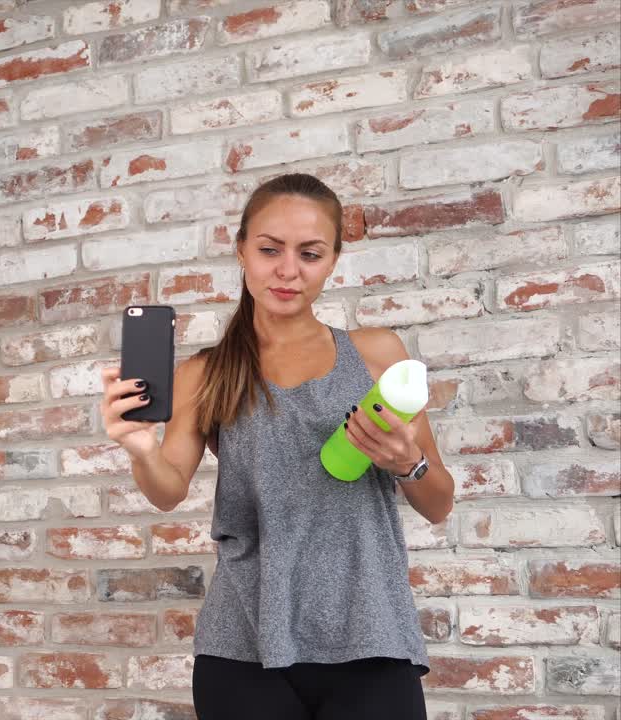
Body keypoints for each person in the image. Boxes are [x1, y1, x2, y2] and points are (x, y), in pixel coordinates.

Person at [99, 173, 454, 720]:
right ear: (241, 248)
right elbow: (168, 491)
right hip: (243, 642)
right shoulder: (207, 373)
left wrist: (408, 462)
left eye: (310, 254)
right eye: (269, 250)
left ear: (333, 259)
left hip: (370, 631)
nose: (288, 271)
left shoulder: (379, 354)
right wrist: (142, 449)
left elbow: (439, 503)